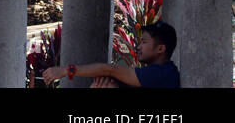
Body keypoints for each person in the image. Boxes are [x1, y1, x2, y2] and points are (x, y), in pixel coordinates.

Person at [42, 21, 180, 88]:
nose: (138, 47)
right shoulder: (146, 76)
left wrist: (66, 70)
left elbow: (110, 69)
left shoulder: (163, 73)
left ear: (160, 49)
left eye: (144, 42)